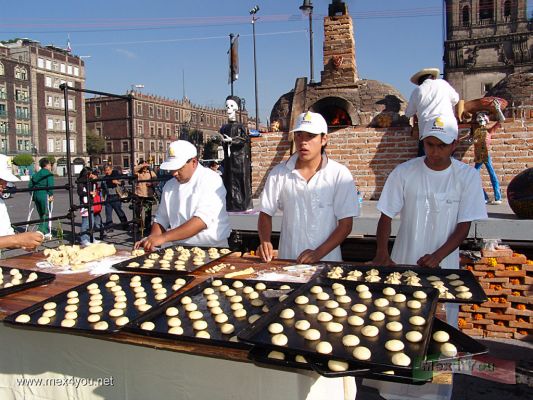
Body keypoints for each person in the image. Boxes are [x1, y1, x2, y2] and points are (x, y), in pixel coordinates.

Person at [257, 111, 360, 263]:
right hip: (289, 261)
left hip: (327, 262)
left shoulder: (339, 174)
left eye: (310, 136)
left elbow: (346, 225)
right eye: (299, 135)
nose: (303, 142)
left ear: (324, 139)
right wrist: (265, 240)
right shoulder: (279, 173)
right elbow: (265, 212)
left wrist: (318, 253)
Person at [134, 140, 231, 252]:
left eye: (179, 168)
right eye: (172, 169)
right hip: (179, 247)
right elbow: (161, 218)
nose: (174, 173)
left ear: (193, 162)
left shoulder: (211, 180)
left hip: (211, 248)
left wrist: (163, 238)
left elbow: (201, 221)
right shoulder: (170, 186)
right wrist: (152, 238)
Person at [405, 67, 459, 157]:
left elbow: (408, 113)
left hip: (427, 128)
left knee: (425, 161)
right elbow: (455, 99)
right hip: (448, 125)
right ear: (433, 77)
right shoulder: (443, 84)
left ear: (419, 82)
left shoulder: (418, 90)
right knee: (449, 160)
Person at [0, 154, 43, 250]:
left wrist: (24, 243)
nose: (5, 184)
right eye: (0, 180)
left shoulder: (0, 202)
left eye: (5, 180)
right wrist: (17, 240)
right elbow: (12, 239)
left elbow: (6, 236)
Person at [220, 95, 252, 211]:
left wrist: (231, 140)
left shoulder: (240, 126)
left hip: (239, 159)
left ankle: (242, 204)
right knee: (229, 180)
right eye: (227, 106)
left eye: (231, 106)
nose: (228, 108)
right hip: (229, 159)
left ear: (236, 108)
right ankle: (231, 204)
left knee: (240, 180)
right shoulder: (225, 127)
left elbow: (244, 140)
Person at [472, 99, 505, 205]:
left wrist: (498, 109)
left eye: (482, 116)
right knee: (474, 177)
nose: (480, 118)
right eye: (479, 117)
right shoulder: (476, 131)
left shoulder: (489, 131)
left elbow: (501, 120)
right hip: (478, 156)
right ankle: (484, 197)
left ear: (486, 119)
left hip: (485, 155)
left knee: (492, 175)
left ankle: (497, 197)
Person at [76, 167, 103, 246]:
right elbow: (80, 192)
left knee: (92, 222)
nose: (91, 175)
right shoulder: (81, 181)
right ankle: (83, 239)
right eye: (90, 173)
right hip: (84, 203)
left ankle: (91, 238)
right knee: (86, 222)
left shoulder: (89, 180)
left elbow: (94, 186)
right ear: (86, 174)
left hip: (90, 202)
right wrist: (89, 193)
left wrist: (94, 180)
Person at [28, 158, 54, 239]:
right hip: (44, 194)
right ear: (47, 165)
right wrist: (51, 194)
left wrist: (32, 194)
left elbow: (30, 185)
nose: (50, 166)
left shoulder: (36, 174)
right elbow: (50, 185)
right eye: (50, 164)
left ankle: (46, 231)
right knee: (46, 213)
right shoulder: (48, 174)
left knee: (41, 213)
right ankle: (41, 230)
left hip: (36, 194)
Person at [101, 164, 128, 230]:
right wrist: (103, 197)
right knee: (108, 213)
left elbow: (123, 183)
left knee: (119, 211)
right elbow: (103, 189)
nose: (107, 172)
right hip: (109, 197)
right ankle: (109, 227)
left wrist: (117, 182)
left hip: (116, 196)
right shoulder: (104, 179)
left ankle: (125, 225)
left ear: (111, 169)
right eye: (105, 170)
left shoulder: (116, 176)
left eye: (108, 170)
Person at [133, 162, 157, 235]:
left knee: (147, 212)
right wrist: (141, 165)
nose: (145, 166)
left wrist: (151, 184)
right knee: (137, 212)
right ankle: (139, 226)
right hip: (139, 194)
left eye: (146, 164)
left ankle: (147, 227)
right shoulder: (138, 173)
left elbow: (156, 181)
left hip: (148, 195)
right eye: (143, 165)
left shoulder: (151, 172)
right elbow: (134, 170)